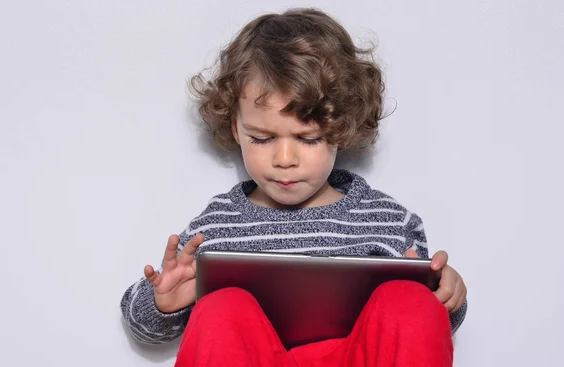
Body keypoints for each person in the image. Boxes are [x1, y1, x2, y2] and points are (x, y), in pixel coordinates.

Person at [120, 8, 467, 367]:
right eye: (262, 138)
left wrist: (447, 294)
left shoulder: (389, 221)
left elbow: (427, 330)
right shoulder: (215, 227)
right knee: (220, 310)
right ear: (237, 129)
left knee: (409, 300)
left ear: (341, 128)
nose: (284, 159)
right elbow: (141, 326)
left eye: (308, 139)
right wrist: (162, 301)